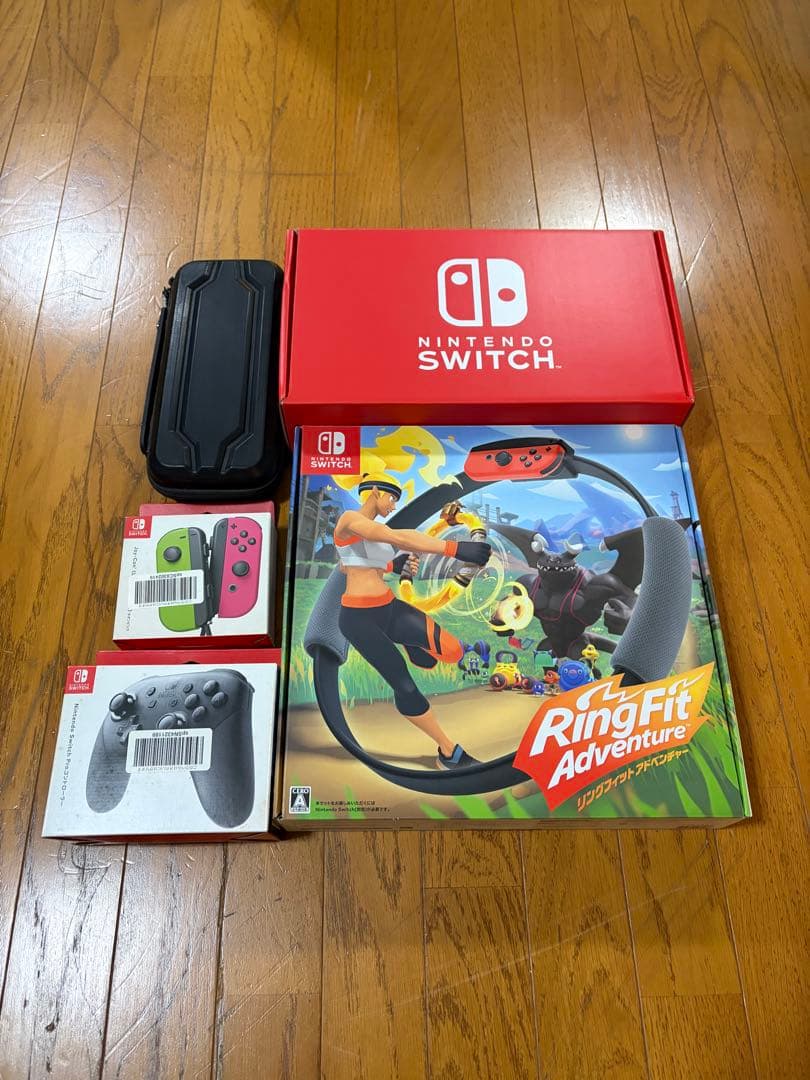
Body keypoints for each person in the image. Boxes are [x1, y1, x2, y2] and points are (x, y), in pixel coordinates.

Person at [335, 472, 491, 770]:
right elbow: (396, 537)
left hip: (389, 608)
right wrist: (455, 549)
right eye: (392, 498)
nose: (393, 506)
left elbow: (348, 564)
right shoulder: (350, 520)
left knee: (453, 651)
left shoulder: (368, 532)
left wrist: (392, 565)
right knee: (405, 685)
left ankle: (409, 642)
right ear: (375, 491)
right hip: (358, 619)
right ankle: (448, 752)